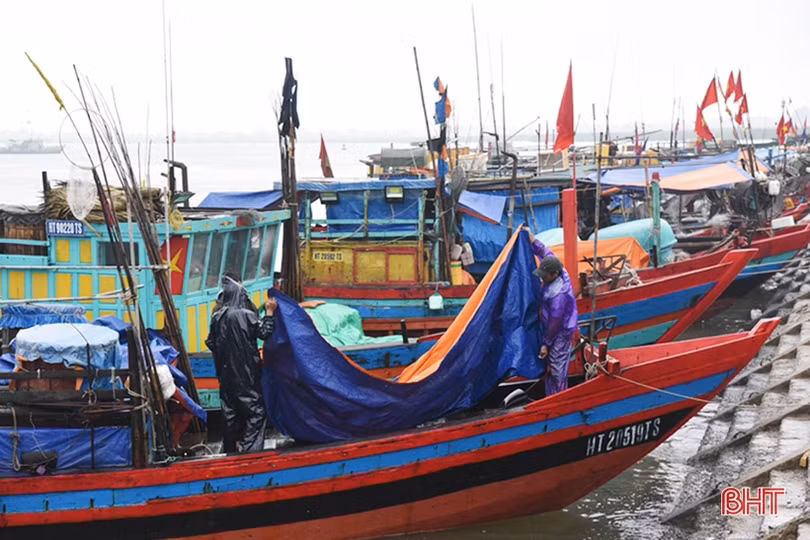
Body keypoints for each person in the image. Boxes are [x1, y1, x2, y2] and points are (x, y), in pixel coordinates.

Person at [205, 274, 277, 453]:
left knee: (230, 412)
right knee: (256, 411)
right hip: (246, 374)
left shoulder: (216, 317)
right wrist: (269, 312)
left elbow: (211, 342)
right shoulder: (247, 316)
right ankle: (249, 451)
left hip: (225, 375)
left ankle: (230, 449)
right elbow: (265, 332)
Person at [527, 231, 578, 395]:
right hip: (550, 326)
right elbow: (545, 252)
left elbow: (554, 324)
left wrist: (545, 344)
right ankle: (551, 393)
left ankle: (559, 398)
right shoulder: (558, 270)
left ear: (554, 274)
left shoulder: (558, 297)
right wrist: (532, 239)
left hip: (560, 333)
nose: (542, 279)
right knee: (551, 366)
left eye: (544, 276)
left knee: (557, 368)